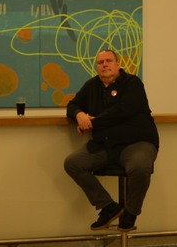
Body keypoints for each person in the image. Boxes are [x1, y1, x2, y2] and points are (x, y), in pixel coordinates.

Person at [62, 48, 158, 232]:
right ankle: (108, 207)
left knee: (139, 166)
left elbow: (123, 111)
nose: (104, 65)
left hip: (137, 142)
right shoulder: (92, 86)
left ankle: (131, 212)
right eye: (100, 62)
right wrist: (79, 114)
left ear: (118, 64)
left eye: (109, 61)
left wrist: (92, 123)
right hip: (105, 145)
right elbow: (72, 105)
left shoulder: (133, 83)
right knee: (73, 163)